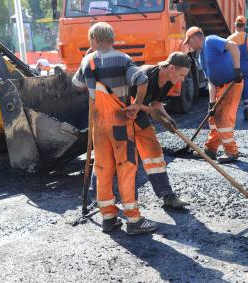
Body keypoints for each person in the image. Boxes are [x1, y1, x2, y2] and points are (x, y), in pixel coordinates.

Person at [72, 22, 158, 235]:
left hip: (99, 126)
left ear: (94, 39)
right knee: (126, 169)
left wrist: (90, 59)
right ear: (112, 39)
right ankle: (133, 220)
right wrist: (137, 104)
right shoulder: (123, 59)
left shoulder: (87, 61)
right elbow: (142, 78)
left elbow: (77, 84)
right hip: (120, 124)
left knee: (102, 169)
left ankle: (108, 218)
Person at [129, 52, 191, 209]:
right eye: (182, 74)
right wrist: (150, 111)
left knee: (154, 154)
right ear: (171, 68)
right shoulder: (145, 76)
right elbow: (132, 104)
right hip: (123, 114)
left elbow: (156, 102)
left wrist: (167, 117)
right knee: (123, 161)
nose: (183, 79)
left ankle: (167, 195)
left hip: (138, 114)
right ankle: (106, 201)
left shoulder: (169, 80)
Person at [183, 27, 244, 163]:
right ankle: (210, 150)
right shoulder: (201, 56)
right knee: (213, 118)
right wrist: (211, 103)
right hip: (219, 88)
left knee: (223, 118)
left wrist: (237, 70)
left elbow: (233, 46)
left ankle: (231, 152)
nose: (189, 45)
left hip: (232, 83)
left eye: (189, 41)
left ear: (195, 38)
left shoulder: (210, 41)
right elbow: (210, 80)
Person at [227, 15, 248, 121]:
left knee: (233, 91)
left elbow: (226, 56)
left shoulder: (230, 39)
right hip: (245, 68)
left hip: (233, 69)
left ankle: (232, 114)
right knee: (247, 88)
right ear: (244, 26)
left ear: (235, 26)